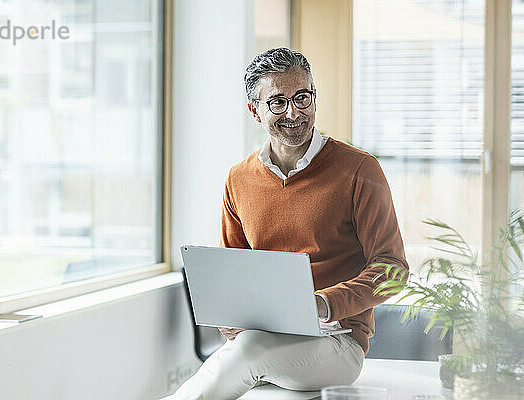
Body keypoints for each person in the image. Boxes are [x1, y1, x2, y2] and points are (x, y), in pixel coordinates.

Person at [163, 47, 408, 400]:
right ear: (255, 110)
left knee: (249, 351)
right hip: (261, 337)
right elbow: (232, 270)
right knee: (249, 346)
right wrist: (228, 315)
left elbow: (393, 270)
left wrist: (323, 304)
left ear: (314, 97)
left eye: (302, 97)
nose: (294, 112)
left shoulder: (359, 170)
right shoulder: (239, 178)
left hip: (338, 342)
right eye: (277, 101)